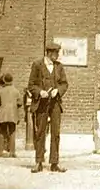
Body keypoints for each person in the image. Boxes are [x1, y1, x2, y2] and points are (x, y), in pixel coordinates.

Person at [28, 42, 69, 173]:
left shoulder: (59, 67)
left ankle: (54, 163)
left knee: (56, 133)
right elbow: (31, 85)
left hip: (55, 103)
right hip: (41, 103)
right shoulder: (37, 65)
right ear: (49, 53)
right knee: (40, 132)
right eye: (56, 53)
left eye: (58, 53)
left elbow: (64, 84)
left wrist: (58, 90)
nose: (57, 56)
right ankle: (39, 162)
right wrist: (40, 92)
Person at [0, 73, 23, 158]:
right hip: (13, 114)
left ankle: (0, 152)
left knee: (2, 132)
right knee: (12, 132)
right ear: (11, 80)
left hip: (2, 114)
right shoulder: (16, 91)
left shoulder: (1, 91)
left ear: (4, 80)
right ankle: (12, 152)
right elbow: (20, 103)